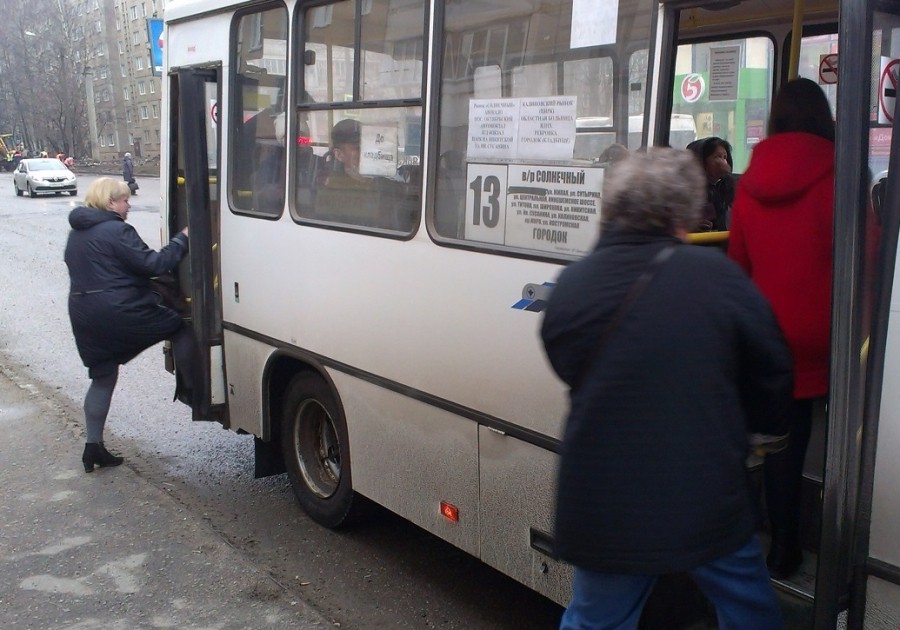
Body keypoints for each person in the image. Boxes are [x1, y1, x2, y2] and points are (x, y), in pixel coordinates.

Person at [540, 148, 792, 629]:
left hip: (603, 499)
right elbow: (772, 366)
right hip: (705, 499)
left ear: (614, 207)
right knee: (748, 611)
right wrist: (762, 432)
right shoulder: (718, 278)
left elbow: (567, 361)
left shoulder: (572, 285)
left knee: (597, 618)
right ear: (683, 211)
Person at [727, 77, 834, 579]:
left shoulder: (748, 182)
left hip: (770, 338)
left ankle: (780, 546)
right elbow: (869, 257)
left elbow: (739, 267)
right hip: (833, 337)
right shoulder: (842, 176)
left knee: (778, 444)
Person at [64, 177, 194, 473]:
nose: (129, 204)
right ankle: (194, 389)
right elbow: (154, 265)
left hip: (83, 315)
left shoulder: (77, 233)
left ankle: (92, 446)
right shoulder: (117, 229)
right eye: (124, 200)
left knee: (103, 376)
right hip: (118, 311)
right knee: (178, 325)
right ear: (110, 202)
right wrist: (183, 238)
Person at [314, 119, 416, 231]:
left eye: (367, 145)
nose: (366, 152)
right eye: (358, 148)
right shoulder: (333, 192)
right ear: (339, 155)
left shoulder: (385, 184)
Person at [687, 136, 735, 231]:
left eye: (725, 157)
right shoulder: (687, 190)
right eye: (718, 157)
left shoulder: (726, 187)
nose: (724, 162)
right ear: (701, 161)